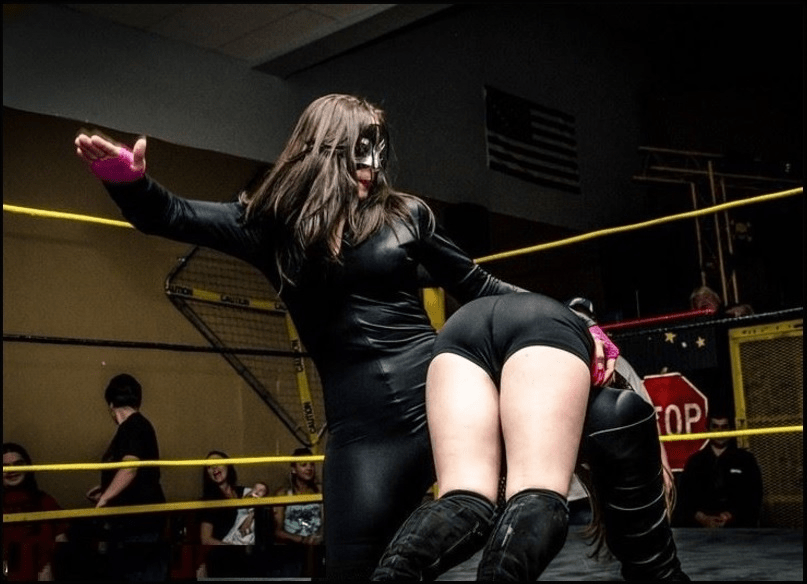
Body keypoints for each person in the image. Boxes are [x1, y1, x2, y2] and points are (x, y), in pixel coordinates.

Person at [73, 93, 617, 578]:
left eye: (379, 151)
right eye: (361, 150)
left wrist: (571, 322)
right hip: (362, 433)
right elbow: (170, 214)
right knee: (351, 569)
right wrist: (129, 183)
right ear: (325, 148)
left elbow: (479, 285)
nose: (372, 166)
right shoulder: (268, 225)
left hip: (440, 400)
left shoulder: (406, 214)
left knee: (500, 502)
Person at [372, 293, 689, 581]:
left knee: (465, 501)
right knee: (537, 493)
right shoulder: (611, 396)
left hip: (459, 330)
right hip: (545, 332)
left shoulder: (590, 395)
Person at [565, 296, 676, 517]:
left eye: (587, 321)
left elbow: (647, 417)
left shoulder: (618, 364)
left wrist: (662, 466)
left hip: (612, 483)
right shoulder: (555, 363)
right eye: (577, 321)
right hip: (569, 489)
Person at [84, 373, 168, 581]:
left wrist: (105, 499)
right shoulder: (135, 427)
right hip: (134, 523)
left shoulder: (134, 426)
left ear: (111, 405)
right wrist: (106, 491)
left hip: (139, 524)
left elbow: (130, 467)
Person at [675, 415, 763, 528]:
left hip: (738, 529)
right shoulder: (695, 461)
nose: (719, 431)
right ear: (708, 430)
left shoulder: (745, 460)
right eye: (715, 426)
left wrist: (731, 516)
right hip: (701, 531)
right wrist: (703, 518)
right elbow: (684, 497)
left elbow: (754, 495)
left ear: (730, 430)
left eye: (724, 427)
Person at [197, 450, 270, 578]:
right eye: (209, 466)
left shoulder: (244, 493)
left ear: (228, 465)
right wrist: (232, 548)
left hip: (249, 554)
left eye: (217, 462)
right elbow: (206, 539)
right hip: (223, 557)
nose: (214, 468)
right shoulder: (209, 501)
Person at [2, 443, 68, 581]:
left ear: (28, 467)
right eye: (5, 466)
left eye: (18, 464)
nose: (12, 470)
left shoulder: (45, 501)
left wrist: (49, 565)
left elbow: (61, 538)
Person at [272, 447, 325, 578]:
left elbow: (326, 521)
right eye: (303, 464)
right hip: (292, 546)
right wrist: (302, 539)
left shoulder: (320, 491)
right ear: (294, 469)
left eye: (312, 464)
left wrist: (319, 536)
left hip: (317, 545)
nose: (309, 468)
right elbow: (277, 532)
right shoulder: (283, 494)